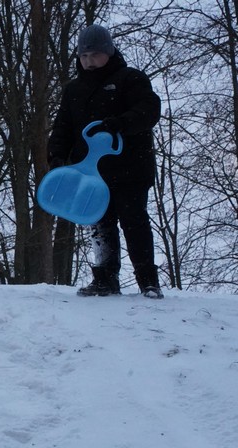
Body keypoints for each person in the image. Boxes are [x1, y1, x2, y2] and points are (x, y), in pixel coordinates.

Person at [47, 23, 164, 299]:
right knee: (100, 224)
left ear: (109, 52)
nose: (89, 61)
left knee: (134, 221)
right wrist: (57, 157)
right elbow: (63, 127)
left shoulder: (130, 79)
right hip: (92, 171)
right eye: (84, 56)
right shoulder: (74, 90)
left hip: (131, 167)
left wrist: (120, 123)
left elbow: (149, 110)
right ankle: (105, 279)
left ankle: (148, 281)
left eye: (95, 55)